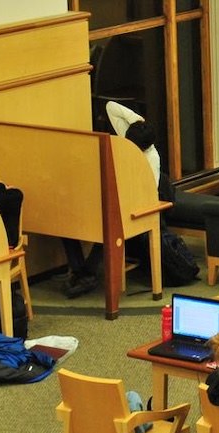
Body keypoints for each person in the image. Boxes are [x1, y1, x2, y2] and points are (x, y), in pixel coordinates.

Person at [60, 101, 162, 299]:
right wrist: (138, 121)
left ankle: (86, 274)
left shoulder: (152, 158)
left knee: (109, 226)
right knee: (68, 220)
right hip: (111, 195)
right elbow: (110, 107)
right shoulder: (130, 137)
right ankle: (82, 272)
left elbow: (150, 191)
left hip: (133, 204)